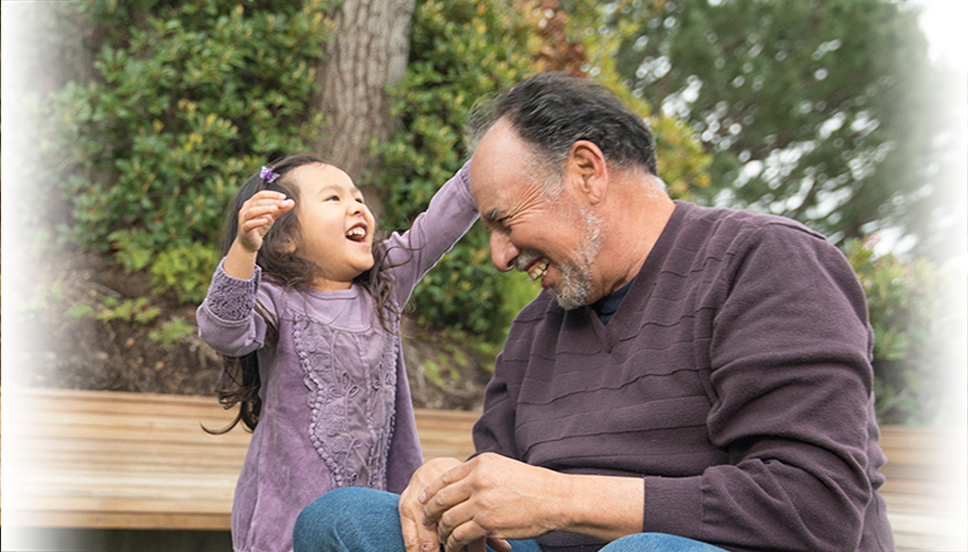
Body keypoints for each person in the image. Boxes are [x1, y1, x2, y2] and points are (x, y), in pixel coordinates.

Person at [292, 73, 894, 552]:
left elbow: (815, 507)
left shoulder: (767, 261)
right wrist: (455, 491)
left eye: (503, 220)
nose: (499, 255)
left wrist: (563, 499)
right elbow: (504, 479)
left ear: (586, 171)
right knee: (342, 520)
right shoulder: (537, 325)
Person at [196, 153, 479, 552]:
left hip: (370, 517)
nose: (356, 206)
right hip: (290, 523)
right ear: (287, 238)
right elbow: (221, 331)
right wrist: (245, 248)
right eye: (333, 199)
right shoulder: (277, 300)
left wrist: (484, 161)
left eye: (358, 197)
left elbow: (438, 224)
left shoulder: (384, 284)